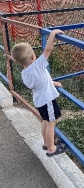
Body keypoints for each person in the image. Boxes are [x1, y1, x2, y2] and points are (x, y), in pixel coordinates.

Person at [11, 29, 66, 157]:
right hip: (47, 100)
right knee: (51, 123)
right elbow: (48, 50)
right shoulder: (38, 66)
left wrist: (52, 83)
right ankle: (52, 148)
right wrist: (52, 34)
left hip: (39, 100)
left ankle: (47, 143)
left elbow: (40, 80)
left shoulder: (25, 73)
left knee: (45, 122)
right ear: (32, 56)